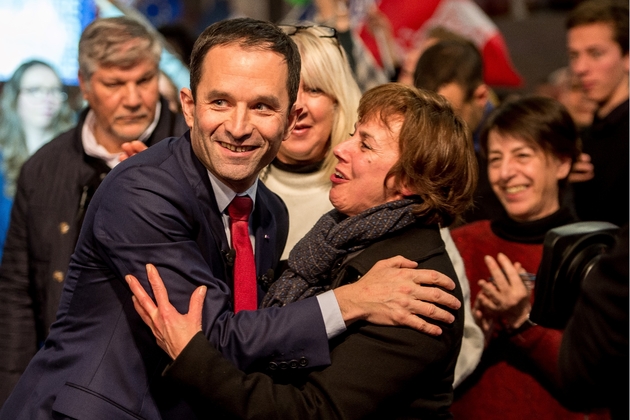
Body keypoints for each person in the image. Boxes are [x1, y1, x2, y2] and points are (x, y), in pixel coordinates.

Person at [0, 18, 461, 419]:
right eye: (220, 102)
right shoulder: (143, 191)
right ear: (188, 106)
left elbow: (251, 337)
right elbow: (213, 337)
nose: (239, 127)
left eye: (261, 106)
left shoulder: (268, 212)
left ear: (289, 116)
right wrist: (350, 302)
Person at [127, 82, 477, 419]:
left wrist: (191, 358)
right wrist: (176, 193)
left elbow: (311, 411)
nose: (342, 147)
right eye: (354, 133)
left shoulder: (413, 288)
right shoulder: (340, 241)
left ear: (410, 181)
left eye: (366, 145)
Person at [262, 23, 483, 387]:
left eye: (314, 89)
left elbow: (445, 337)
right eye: (284, 90)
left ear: (339, 100)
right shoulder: (239, 195)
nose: (297, 104)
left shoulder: (382, 209)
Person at [0, 16, 189, 405]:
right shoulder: (43, 169)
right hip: (66, 385)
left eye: (144, 80)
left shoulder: (190, 156)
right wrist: (15, 396)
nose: (134, 99)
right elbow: (17, 294)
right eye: (115, 84)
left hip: (165, 387)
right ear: (84, 85)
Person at [449, 96, 608, 420]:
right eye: (495, 159)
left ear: (562, 163)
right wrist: (475, 328)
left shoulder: (598, 253)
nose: (506, 173)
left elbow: (597, 381)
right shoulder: (463, 243)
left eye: (522, 155)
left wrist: (523, 320)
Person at [413, 39, 503, 225]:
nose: (438, 130)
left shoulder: (520, 140)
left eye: (450, 116)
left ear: (481, 96)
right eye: (428, 116)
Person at [0, 60, 75, 258]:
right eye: (35, 90)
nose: (47, 99)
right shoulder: (2, 160)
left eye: (55, 90)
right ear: (15, 97)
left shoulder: (76, 156)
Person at [567, 0, 628, 227]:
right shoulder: (585, 137)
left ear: (628, 57)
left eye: (595, 53)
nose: (580, 68)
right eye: (574, 55)